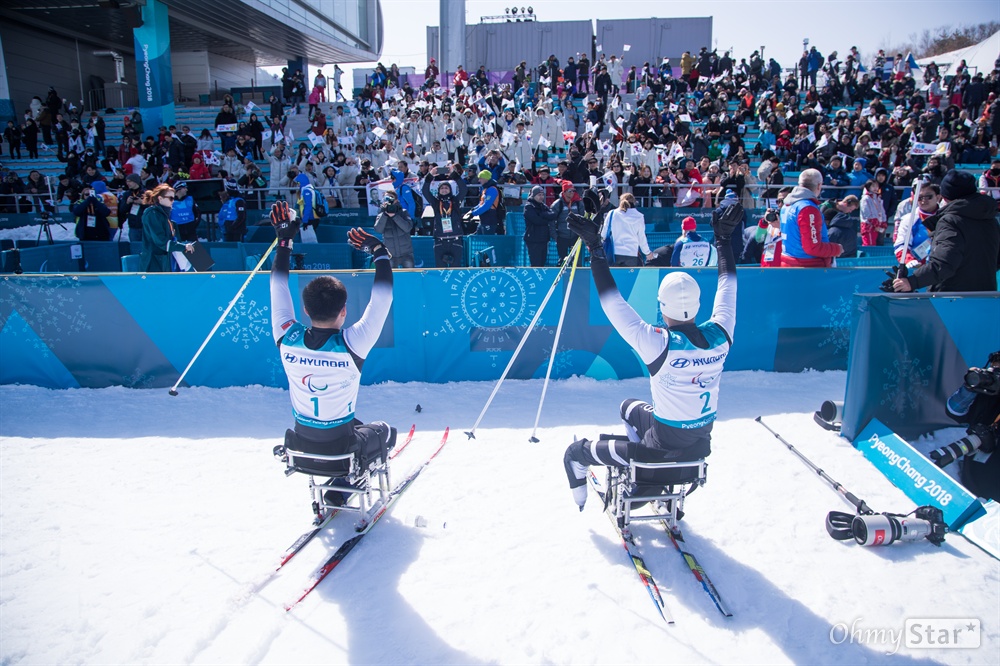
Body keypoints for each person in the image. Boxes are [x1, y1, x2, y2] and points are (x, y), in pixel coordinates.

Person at [561, 188, 740, 510]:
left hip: (658, 448)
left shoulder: (658, 343)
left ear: (662, 307)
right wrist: (724, 241)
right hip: (700, 445)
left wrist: (595, 248)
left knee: (574, 453)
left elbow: (610, 301)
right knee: (629, 406)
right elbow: (728, 287)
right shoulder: (721, 334)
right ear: (699, 305)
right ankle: (644, 479)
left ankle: (604, 493)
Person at [268, 202, 397, 505]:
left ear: (304, 310)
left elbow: (277, 284)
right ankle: (345, 480)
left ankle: (339, 482)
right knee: (386, 431)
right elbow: (384, 296)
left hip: (301, 448)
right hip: (342, 452)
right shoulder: (354, 344)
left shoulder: (286, 336)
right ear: (343, 311)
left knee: (352, 422)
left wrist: (284, 241)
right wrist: (379, 251)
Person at [893, 170, 1000, 293]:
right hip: (986, 293)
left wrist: (912, 282)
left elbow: (944, 263)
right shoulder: (990, 219)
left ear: (944, 197)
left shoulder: (951, 221)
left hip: (952, 297)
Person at [779, 169, 844, 267]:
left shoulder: (787, 205)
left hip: (789, 262)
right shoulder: (807, 208)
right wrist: (836, 249)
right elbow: (812, 247)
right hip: (808, 268)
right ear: (819, 185)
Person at [139, 184, 194, 272]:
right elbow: (161, 241)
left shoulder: (164, 215)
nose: (173, 201)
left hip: (166, 261)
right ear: (160, 198)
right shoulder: (152, 214)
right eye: (170, 198)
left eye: (174, 198)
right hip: (154, 264)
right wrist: (183, 247)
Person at [892, 183, 940, 266]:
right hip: (918, 269)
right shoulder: (909, 219)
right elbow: (901, 246)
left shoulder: (947, 217)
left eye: (929, 197)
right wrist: (909, 260)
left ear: (938, 197)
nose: (923, 201)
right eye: (920, 197)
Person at [602, 192, 652, 267]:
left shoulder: (612, 213)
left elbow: (604, 234)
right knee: (630, 278)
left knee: (614, 278)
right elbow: (642, 238)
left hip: (614, 253)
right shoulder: (639, 216)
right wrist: (647, 253)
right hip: (632, 254)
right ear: (634, 202)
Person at [373, 191, 415, 268]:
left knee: (409, 276)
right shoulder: (381, 214)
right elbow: (378, 230)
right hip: (390, 254)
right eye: (386, 198)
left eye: (391, 198)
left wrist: (394, 216)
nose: (388, 200)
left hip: (406, 253)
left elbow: (408, 228)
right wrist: (385, 215)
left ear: (396, 200)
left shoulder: (403, 212)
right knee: (391, 278)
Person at [523, 185, 558, 268]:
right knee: (536, 263)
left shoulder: (542, 206)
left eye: (542, 195)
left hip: (543, 239)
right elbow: (536, 221)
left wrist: (542, 215)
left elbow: (553, 214)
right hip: (533, 239)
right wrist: (546, 218)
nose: (541, 197)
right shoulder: (529, 206)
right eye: (539, 195)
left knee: (542, 262)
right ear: (533, 195)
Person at [550, 180, 584, 260]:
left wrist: (581, 234)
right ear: (564, 192)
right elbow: (551, 222)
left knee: (577, 261)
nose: (572, 193)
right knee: (562, 260)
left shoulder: (579, 203)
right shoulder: (557, 204)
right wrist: (556, 237)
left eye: (573, 191)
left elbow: (583, 219)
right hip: (562, 237)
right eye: (569, 191)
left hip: (575, 236)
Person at [465, 169, 503, 235]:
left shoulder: (492, 190)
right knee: (478, 236)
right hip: (484, 218)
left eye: (480, 178)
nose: (479, 180)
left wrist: (473, 213)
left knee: (487, 239)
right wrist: (473, 209)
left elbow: (487, 205)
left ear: (486, 179)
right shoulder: (486, 189)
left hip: (490, 218)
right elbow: (481, 203)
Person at [859, 180, 887, 246]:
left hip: (878, 226)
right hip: (869, 226)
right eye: (873, 186)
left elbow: (882, 211)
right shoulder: (865, 198)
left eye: (877, 186)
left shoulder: (878, 198)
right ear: (868, 187)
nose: (875, 188)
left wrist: (883, 222)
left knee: (878, 245)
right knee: (869, 245)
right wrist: (875, 223)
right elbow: (866, 213)